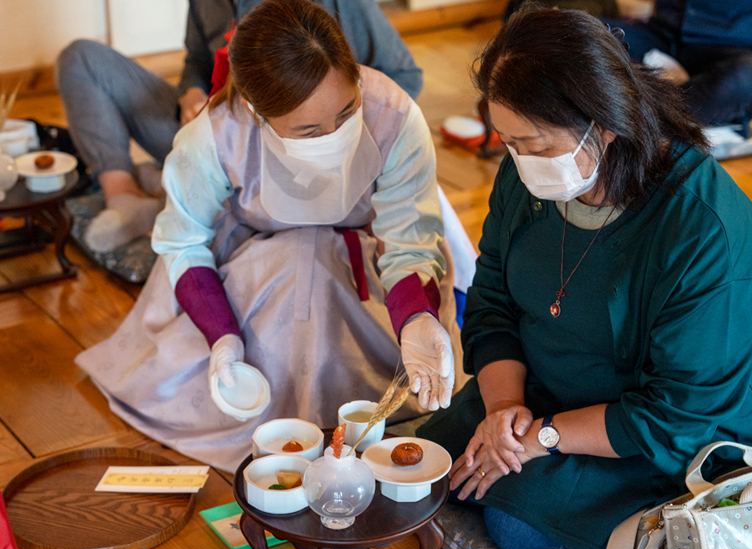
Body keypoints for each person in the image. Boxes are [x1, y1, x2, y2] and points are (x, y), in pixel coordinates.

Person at [417, 6, 752, 549]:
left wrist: (540, 439)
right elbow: (493, 306)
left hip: (674, 432)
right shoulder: (530, 174)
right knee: (426, 463)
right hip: (550, 395)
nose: (518, 161)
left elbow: (675, 415)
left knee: (518, 524)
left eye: (533, 143)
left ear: (605, 124)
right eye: (507, 141)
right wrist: (504, 410)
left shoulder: (704, 230)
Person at [75, 0, 468, 474]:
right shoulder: (217, 135)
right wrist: (222, 338)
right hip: (255, 253)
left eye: (347, 113)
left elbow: (407, 240)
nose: (334, 136)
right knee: (297, 261)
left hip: (366, 255)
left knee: (321, 264)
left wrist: (415, 320)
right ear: (255, 110)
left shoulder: (393, 115)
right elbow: (183, 243)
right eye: (309, 130)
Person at [55, 0, 424, 253]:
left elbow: (405, 77)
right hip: (217, 139)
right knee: (80, 60)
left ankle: (179, 196)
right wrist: (192, 92)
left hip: (303, 161)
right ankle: (125, 196)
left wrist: (327, 123)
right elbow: (198, 60)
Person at [602, 0, 752, 135]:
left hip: (742, 45)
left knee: (745, 80)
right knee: (587, 35)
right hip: (666, 34)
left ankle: (636, 121)